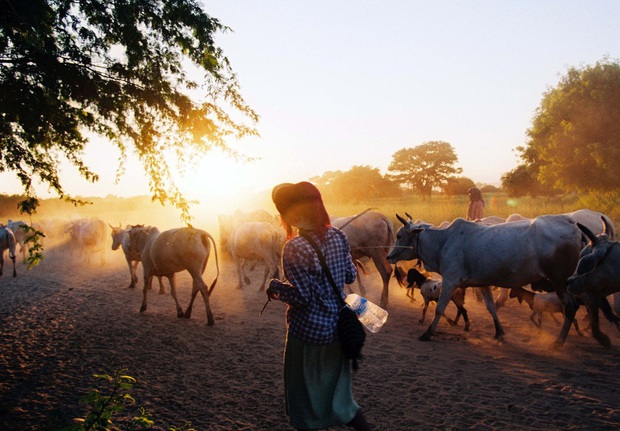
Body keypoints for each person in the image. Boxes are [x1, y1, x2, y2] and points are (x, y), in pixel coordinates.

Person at [266, 181, 374, 431]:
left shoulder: (294, 247)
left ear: (290, 215)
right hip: (337, 331)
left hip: (308, 336)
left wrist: (275, 287)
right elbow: (349, 276)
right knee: (342, 400)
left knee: (305, 401)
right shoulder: (339, 236)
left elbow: (303, 297)